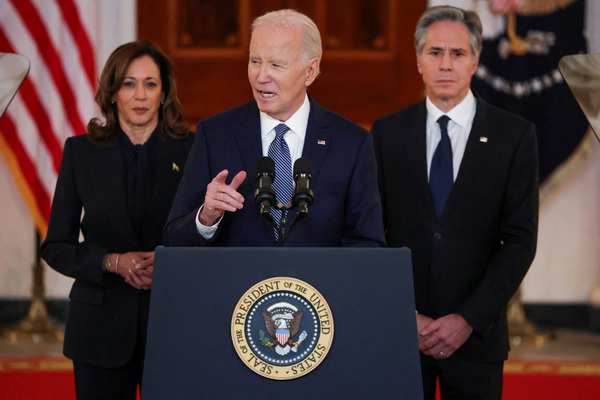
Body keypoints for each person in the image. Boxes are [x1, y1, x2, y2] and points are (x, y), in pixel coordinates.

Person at [371, 6, 538, 400]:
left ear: (475, 60)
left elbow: (519, 242)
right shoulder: (386, 133)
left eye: (458, 53)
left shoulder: (514, 136)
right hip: (402, 334)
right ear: (418, 61)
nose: (446, 64)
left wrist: (467, 320)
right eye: (435, 52)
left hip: (477, 339)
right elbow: (368, 233)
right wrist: (404, 314)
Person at [40, 41, 194, 399]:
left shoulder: (193, 149)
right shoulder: (80, 152)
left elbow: (209, 235)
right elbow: (56, 246)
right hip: (98, 329)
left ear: (165, 93)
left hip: (175, 324)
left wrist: (171, 264)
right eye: (128, 83)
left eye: (150, 84)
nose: (140, 94)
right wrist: (112, 262)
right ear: (111, 93)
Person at [164, 9, 385, 248]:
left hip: (318, 285)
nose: (261, 76)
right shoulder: (214, 134)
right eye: (255, 61)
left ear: (310, 71)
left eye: (276, 65)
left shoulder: (352, 143)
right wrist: (206, 218)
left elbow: (368, 244)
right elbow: (173, 239)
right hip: (239, 284)